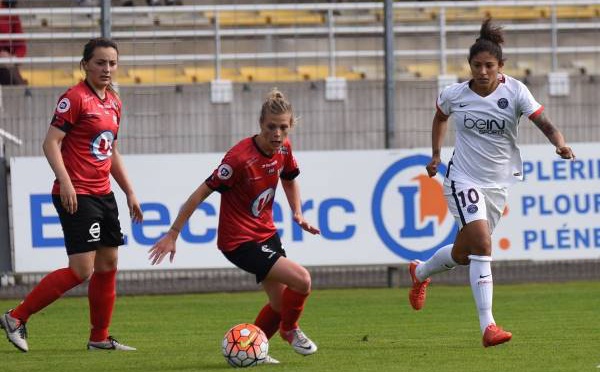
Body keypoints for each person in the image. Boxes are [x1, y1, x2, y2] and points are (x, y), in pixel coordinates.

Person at [408, 18, 575, 348]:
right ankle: (489, 327)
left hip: (497, 184)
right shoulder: (455, 94)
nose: (482, 71)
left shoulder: (515, 91)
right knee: (483, 244)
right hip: (462, 178)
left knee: (465, 253)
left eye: (489, 65)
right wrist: (436, 156)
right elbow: (441, 116)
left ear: (501, 66)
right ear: (469, 65)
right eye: (476, 65)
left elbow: (543, 121)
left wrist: (559, 142)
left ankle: (420, 272)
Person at [149, 89, 319, 363]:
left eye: (283, 128)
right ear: (260, 124)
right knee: (302, 280)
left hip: (266, 233)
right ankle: (290, 330)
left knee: (279, 304)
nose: (277, 133)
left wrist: (297, 213)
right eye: (271, 127)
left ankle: (251, 352)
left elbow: (289, 179)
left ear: (290, 127)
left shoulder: (284, 148)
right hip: (239, 241)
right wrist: (173, 232)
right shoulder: (239, 159)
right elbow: (200, 193)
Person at [0, 37, 143, 352]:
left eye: (112, 63)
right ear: (86, 65)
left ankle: (99, 338)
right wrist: (64, 182)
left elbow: (111, 151)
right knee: (82, 270)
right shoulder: (74, 98)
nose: (107, 69)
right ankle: (15, 317)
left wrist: (129, 191)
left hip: (103, 194)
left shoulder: (114, 101)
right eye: (100, 62)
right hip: (78, 194)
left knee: (108, 263)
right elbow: (51, 143)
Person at [0, 0, 26, 85]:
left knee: (8, 72)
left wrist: (13, 58)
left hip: (5, 61)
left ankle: (23, 90)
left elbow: (20, 45)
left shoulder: (10, 13)